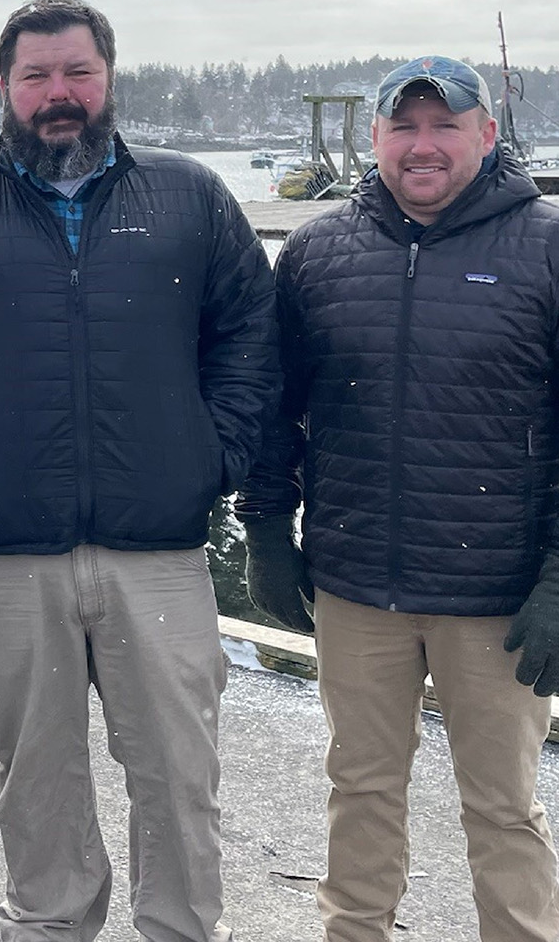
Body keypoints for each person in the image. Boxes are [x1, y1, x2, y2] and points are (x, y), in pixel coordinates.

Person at [0, 0, 278, 942]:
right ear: (6, 87)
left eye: (78, 74)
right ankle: (47, 928)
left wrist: (215, 454)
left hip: (161, 548)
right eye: (38, 76)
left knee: (179, 776)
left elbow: (252, 333)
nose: (61, 95)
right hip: (11, 553)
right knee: (36, 779)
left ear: (110, 79)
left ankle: (180, 930)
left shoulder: (189, 196)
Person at [237, 56, 559, 942]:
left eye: (444, 125)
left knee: (503, 808)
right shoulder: (316, 251)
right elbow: (275, 410)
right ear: (375, 138)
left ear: (486, 135)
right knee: (361, 790)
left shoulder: (547, 246)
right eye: (403, 126)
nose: (423, 146)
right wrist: (267, 527)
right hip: (356, 585)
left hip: (495, 595)